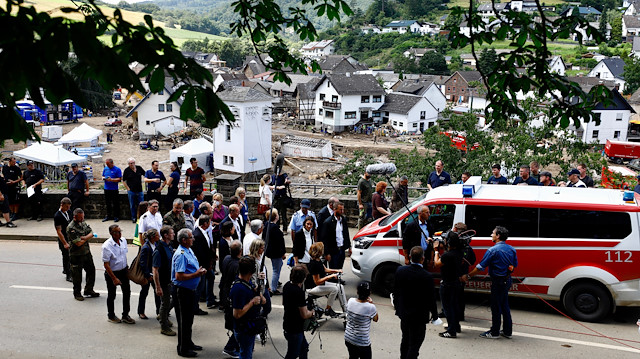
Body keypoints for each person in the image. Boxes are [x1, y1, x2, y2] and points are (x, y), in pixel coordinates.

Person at [467, 226, 517, 339]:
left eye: (493, 233)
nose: (491, 235)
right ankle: (507, 332)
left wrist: (469, 276)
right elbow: (514, 266)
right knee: (505, 306)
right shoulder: (512, 249)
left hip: (498, 282)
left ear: (498, 236)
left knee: (496, 307)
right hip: (507, 280)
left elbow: (480, 267)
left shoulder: (492, 250)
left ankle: (494, 332)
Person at [393, 246, 438, 359]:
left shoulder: (400, 271)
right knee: (415, 343)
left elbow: (396, 291)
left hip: (404, 313)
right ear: (422, 259)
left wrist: (398, 307)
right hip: (419, 316)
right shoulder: (427, 276)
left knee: (405, 339)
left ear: (409, 257)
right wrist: (435, 315)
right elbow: (431, 298)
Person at [172, 228, 207, 357]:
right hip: (183, 291)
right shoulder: (181, 254)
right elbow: (179, 276)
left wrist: (199, 271)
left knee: (189, 319)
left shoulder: (188, 249)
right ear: (184, 240)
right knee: (184, 320)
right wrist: (196, 274)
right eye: (191, 237)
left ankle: (188, 342)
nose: (193, 239)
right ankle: (183, 348)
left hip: (190, 290)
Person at [230, 256, 266, 359]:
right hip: (243, 329)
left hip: (249, 327)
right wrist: (252, 302)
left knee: (247, 352)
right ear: (251, 271)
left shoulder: (246, 282)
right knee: (245, 355)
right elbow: (237, 314)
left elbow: (263, 301)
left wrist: (260, 285)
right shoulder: (239, 288)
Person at [102, 224, 135, 324]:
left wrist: (127, 268)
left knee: (127, 293)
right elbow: (106, 264)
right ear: (111, 233)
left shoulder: (123, 241)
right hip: (113, 272)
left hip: (123, 271)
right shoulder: (107, 246)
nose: (120, 234)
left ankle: (125, 314)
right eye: (117, 232)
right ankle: (111, 315)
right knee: (112, 295)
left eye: (120, 231)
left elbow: (123, 256)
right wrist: (114, 278)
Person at [433, 231, 463, 338]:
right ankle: (456, 326)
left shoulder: (447, 255)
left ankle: (451, 331)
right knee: (454, 306)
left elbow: (437, 263)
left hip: (447, 284)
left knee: (447, 308)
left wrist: (436, 251)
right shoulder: (458, 252)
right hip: (456, 283)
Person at [67, 208, 100, 301]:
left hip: (86, 252)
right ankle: (77, 293)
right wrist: (87, 237)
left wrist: (84, 237)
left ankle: (89, 289)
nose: (82, 219)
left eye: (83, 217)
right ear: (75, 217)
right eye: (80, 217)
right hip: (76, 255)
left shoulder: (83, 223)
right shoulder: (71, 228)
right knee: (77, 276)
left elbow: (91, 233)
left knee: (91, 271)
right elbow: (78, 243)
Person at [283, 265, 315, 359]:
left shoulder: (287, 286)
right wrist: (312, 313)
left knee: (304, 347)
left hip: (288, 324)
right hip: (295, 329)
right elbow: (304, 314)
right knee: (292, 354)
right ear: (303, 278)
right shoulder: (298, 292)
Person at [306, 242, 345, 318]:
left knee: (340, 286)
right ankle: (328, 309)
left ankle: (345, 307)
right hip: (312, 288)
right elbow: (317, 281)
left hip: (320, 285)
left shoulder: (318, 260)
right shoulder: (314, 264)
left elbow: (325, 270)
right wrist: (330, 277)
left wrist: (337, 271)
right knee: (334, 289)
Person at [344, 281, 378, 359]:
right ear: (369, 293)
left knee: (353, 356)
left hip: (348, 338)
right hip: (362, 342)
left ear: (357, 291)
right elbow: (375, 319)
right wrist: (371, 303)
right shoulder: (370, 307)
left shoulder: (350, 301)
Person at [220, 240, 242, 358]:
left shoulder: (227, 259)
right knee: (237, 324)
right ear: (240, 251)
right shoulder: (237, 265)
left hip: (225, 293)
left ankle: (236, 346)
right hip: (231, 297)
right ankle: (230, 347)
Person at [153, 225, 176, 336]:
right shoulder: (159, 250)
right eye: (172, 233)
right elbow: (155, 270)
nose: (174, 235)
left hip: (169, 279)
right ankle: (164, 326)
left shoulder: (169, 245)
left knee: (172, 300)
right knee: (165, 303)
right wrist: (158, 286)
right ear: (166, 235)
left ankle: (163, 315)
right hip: (163, 281)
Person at [192, 215, 215, 314]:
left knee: (211, 278)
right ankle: (194, 307)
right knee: (199, 286)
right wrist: (206, 265)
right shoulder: (197, 235)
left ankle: (210, 299)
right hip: (202, 265)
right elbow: (200, 253)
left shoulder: (204, 232)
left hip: (207, 264)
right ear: (205, 223)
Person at [139, 228, 161, 320]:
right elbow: (143, 263)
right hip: (148, 275)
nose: (158, 237)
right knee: (144, 292)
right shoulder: (146, 247)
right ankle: (141, 311)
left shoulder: (155, 244)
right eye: (157, 235)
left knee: (157, 292)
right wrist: (148, 275)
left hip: (154, 274)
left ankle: (159, 311)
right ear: (152, 237)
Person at [322, 201, 351, 270]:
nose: (342, 211)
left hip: (341, 249)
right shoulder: (328, 222)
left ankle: (339, 279)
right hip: (333, 250)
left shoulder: (343, 220)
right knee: (333, 269)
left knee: (340, 267)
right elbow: (325, 239)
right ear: (335, 209)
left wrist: (349, 247)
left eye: (343, 209)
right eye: (340, 209)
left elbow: (346, 234)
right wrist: (326, 253)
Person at [264, 208, 286, 295]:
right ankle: (273, 288)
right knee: (276, 270)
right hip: (276, 252)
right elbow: (279, 242)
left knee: (277, 267)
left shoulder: (267, 225)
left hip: (271, 251)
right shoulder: (274, 228)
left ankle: (275, 283)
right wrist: (282, 253)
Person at [249, 239, 272, 318]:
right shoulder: (253, 262)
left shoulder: (260, 257)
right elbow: (253, 279)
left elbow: (264, 271)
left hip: (264, 285)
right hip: (259, 288)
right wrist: (261, 295)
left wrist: (267, 284)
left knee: (268, 307)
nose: (263, 249)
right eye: (262, 248)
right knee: (263, 306)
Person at [54, 197, 73, 282]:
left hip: (70, 237)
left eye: (69, 207)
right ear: (62, 205)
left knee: (69, 256)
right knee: (66, 256)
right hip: (63, 238)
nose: (68, 209)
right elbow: (59, 231)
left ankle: (66, 269)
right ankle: (68, 275)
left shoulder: (69, 212)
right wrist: (65, 243)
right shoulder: (57, 216)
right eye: (66, 207)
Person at [123, 158, 145, 223]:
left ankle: (142, 217)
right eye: (130, 163)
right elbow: (123, 180)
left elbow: (145, 174)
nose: (132, 164)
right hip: (131, 191)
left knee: (141, 205)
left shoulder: (139, 168)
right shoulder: (127, 170)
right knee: (132, 205)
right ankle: (134, 217)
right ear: (128, 164)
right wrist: (127, 188)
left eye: (133, 163)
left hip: (139, 190)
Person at [101, 158, 122, 222]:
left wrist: (112, 180)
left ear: (112, 163)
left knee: (115, 203)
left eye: (108, 164)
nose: (107, 166)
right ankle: (108, 215)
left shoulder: (117, 169)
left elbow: (119, 179)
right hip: (106, 188)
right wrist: (104, 178)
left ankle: (116, 216)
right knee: (108, 203)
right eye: (107, 164)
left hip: (114, 189)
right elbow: (102, 176)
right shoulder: (105, 168)